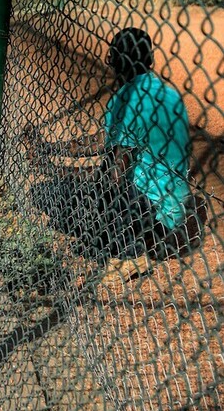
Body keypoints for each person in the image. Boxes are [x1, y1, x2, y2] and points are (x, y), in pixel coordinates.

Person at [26, 27, 204, 267]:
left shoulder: (126, 98)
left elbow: (113, 176)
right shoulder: (169, 94)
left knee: (50, 192)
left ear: (115, 61)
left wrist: (56, 171)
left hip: (149, 216)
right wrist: (52, 149)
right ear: (149, 59)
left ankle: (119, 245)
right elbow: (105, 139)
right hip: (175, 210)